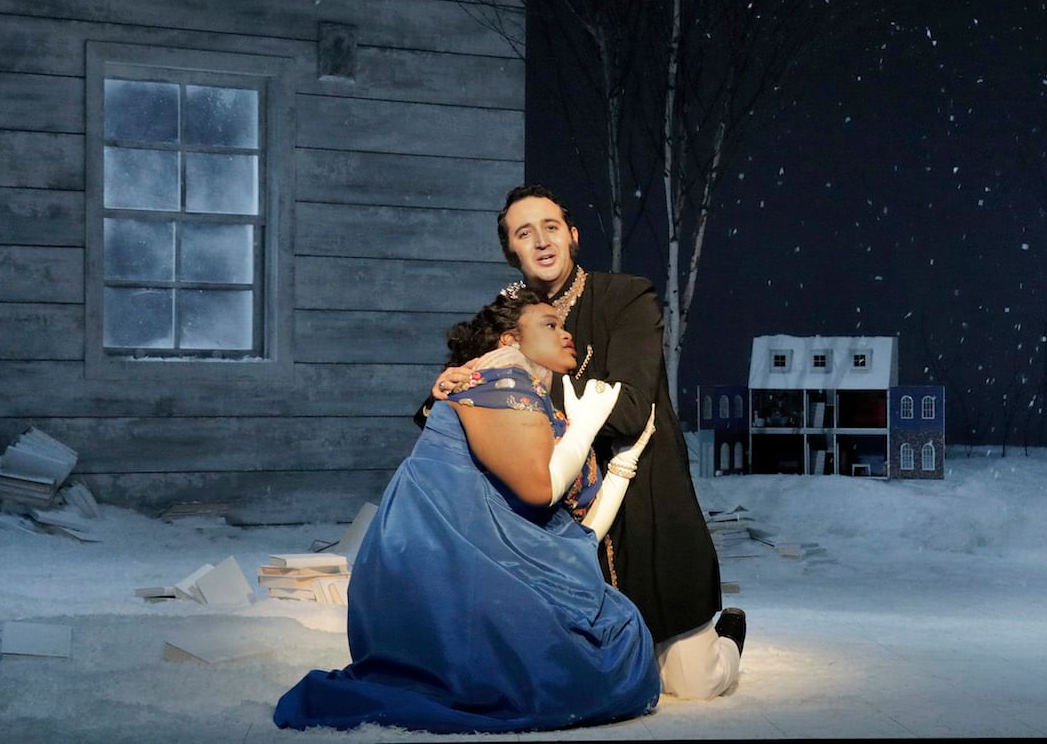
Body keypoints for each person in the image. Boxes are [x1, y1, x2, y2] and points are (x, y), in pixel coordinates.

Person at [276, 291, 661, 733]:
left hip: (481, 559)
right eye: (549, 324)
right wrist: (589, 425)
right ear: (509, 339)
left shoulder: (533, 400)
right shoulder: (500, 379)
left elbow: (578, 534)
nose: (566, 332)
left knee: (621, 636)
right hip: (448, 567)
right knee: (591, 671)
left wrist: (619, 467)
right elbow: (539, 491)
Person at [420, 184, 744, 699]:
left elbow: (635, 408)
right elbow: (467, 393)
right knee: (584, 673)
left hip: (642, 499)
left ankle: (726, 637)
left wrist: (524, 378)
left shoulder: (625, 297)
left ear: (572, 236)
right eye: (524, 234)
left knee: (690, 684)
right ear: (512, 252)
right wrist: (457, 384)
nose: (541, 241)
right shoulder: (510, 315)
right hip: (561, 523)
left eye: (551, 227)